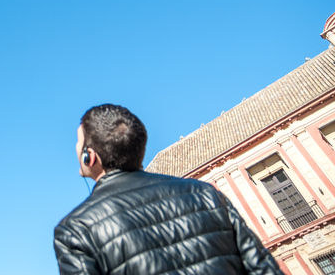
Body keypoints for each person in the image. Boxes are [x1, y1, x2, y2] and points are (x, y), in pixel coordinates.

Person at [54, 104, 283, 275]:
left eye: (78, 142)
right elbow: (264, 269)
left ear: (89, 156)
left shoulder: (75, 229)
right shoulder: (206, 193)